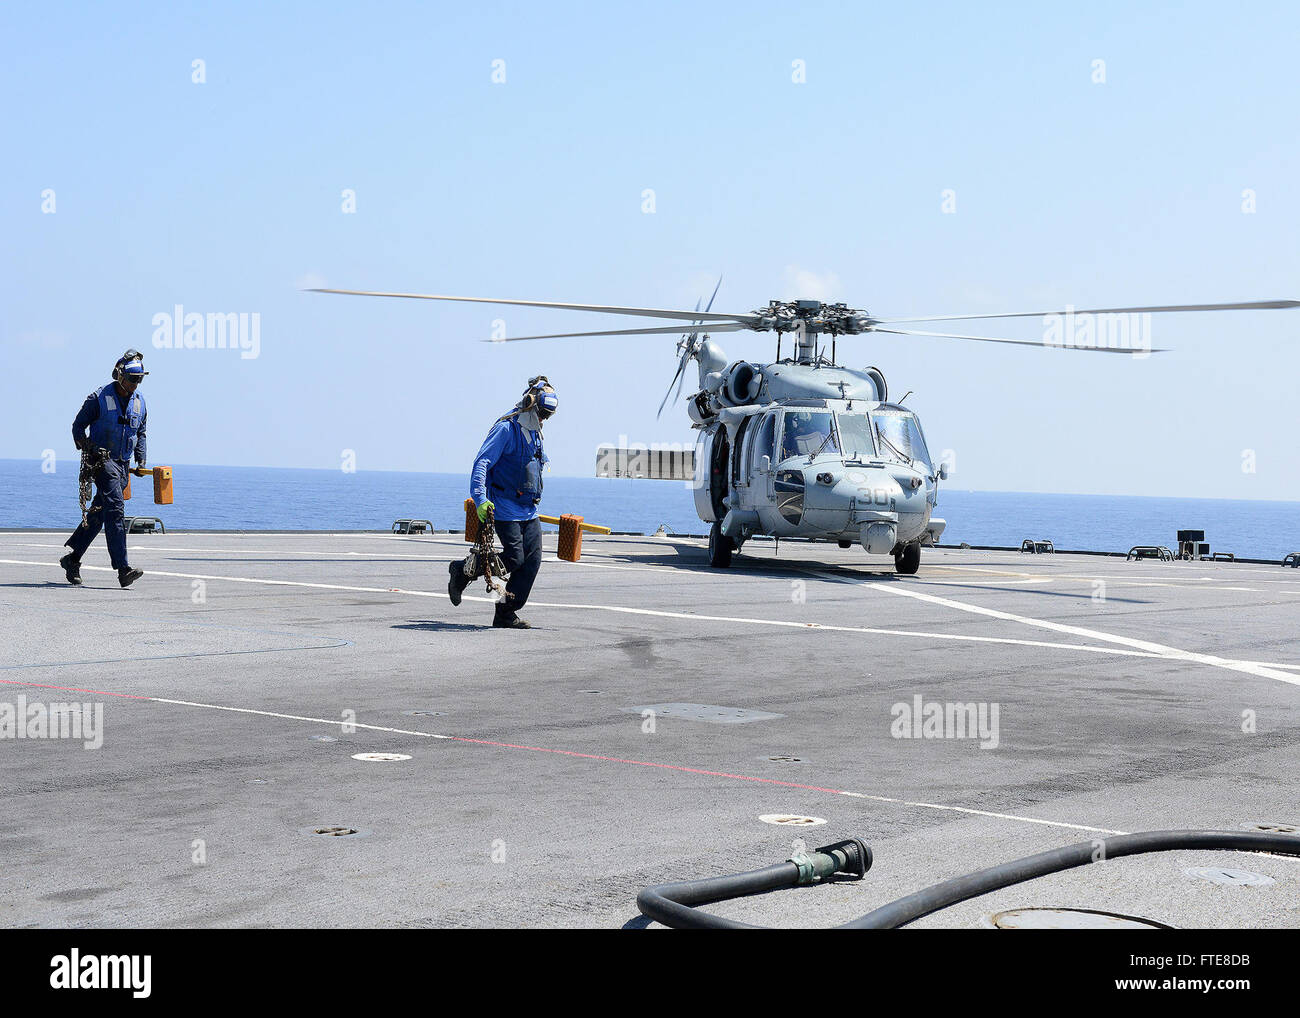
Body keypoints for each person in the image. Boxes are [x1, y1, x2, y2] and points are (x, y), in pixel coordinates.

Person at [447, 376, 558, 628]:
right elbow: (482, 463)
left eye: (548, 416)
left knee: (532, 561)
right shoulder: (506, 429)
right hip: (504, 507)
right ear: (530, 403)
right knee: (514, 557)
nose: (544, 419)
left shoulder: (535, 432)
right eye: (542, 413)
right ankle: (461, 571)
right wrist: (480, 499)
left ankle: (505, 613)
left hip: (529, 510)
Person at [61, 350, 149, 588]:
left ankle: (72, 559)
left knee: (100, 513)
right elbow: (78, 427)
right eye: (132, 378)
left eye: (139, 379)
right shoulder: (97, 398)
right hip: (102, 463)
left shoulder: (140, 403)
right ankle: (123, 569)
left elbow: (140, 432)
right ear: (120, 375)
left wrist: (141, 460)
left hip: (122, 465)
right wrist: (87, 446)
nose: (135, 383)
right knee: (116, 510)